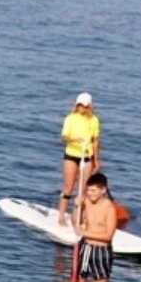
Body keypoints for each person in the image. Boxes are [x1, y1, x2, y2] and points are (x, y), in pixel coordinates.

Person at [74, 172, 117, 282]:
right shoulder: (85, 202)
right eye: (88, 190)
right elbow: (75, 223)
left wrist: (84, 232)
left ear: (103, 190)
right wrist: (76, 207)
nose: (90, 194)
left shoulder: (109, 208)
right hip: (85, 249)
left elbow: (108, 236)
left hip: (101, 252)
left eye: (93, 191)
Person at [57, 92, 100, 225]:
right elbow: (64, 138)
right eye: (80, 105)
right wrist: (74, 140)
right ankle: (61, 217)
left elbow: (95, 141)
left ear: (89, 106)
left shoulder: (94, 120)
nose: (82, 108)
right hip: (72, 155)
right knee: (68, 188)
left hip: (86, 156)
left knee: (83, 190)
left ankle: (77, 217)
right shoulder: (70, 118)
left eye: (85, 106)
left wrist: (96, 160)